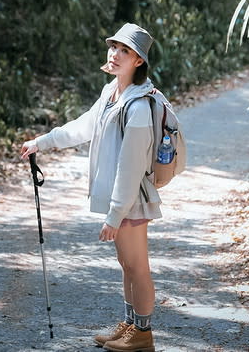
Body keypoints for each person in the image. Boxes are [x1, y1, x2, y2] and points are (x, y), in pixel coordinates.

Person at [20, 23, 161, 352]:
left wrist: (114, 215)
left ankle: (143, 334)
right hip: (121, 199)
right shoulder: (112, 93)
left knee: (138, 266)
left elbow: (130, 169)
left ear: (138, 60)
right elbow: (82, 127)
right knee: (126, 264)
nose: (114, 54)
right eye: (114, 47)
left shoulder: (138, 107)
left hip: (130, 200)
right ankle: (129, 326)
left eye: (124, 51)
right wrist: (42, 142)